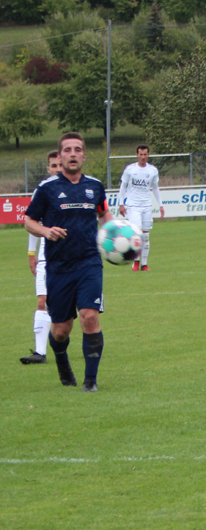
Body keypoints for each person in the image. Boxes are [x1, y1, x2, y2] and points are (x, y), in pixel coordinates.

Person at [24, 132, 112, 392]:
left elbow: (104, 212)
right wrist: (46, 231)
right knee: (61, 330)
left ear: (84, 155)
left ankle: (90, 381)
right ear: (60, 156)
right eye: (67, 150)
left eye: (77, 150)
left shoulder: (95, 186)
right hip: (59, 267)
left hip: (89, 263)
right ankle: (61, 360)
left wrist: (114, 236)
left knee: (89, 316)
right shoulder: (47, 188)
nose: (73, 154)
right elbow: (29, 221)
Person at [20, 151, 62, 365]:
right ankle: (40, 352)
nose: (57, 169)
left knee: (71, 309)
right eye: (53, 166)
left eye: (59, 165)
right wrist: (31, 254)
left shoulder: (75, 189)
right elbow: (32, 224)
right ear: (48, 168)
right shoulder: (43, 190)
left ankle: (62, 338)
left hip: (72, 258)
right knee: (42, 301)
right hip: (46, 256)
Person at [118, 145, 164, 271]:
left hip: (147, 206)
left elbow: (155, 187)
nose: (143, 157)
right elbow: (123, 186)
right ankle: (136, 261)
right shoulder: (130, 169)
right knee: (136, 233)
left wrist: (160, 204)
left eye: (145, 154)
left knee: (145, 236)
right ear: (137, 155)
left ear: (148, 155)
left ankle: (144, 264)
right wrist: (121, 203)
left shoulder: (153, 170)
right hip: (133, 206)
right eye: (140, 154)